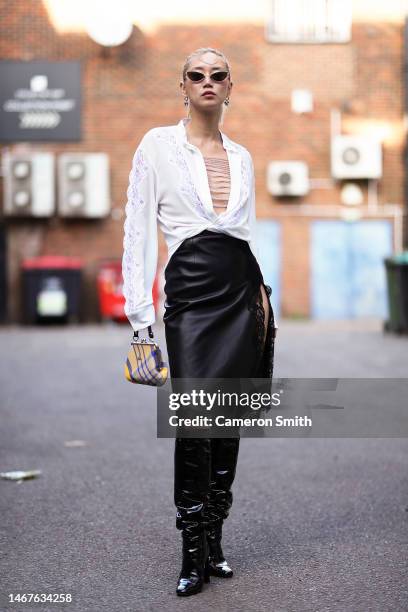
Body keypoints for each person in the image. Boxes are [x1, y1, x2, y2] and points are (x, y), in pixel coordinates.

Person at [122, 47, 276, 597]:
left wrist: (262, 301)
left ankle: (215, 543)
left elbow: (245, 235)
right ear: (182, 86)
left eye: (217, 75)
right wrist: (140, 319)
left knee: (227, 419)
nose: (207, 82)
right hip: (190, 295)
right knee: (194, 421)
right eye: (196, 74)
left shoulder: (243, 156)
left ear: (229, 87)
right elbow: (138, 228)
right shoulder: (157, 145)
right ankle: (190, 551)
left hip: (242, 292)